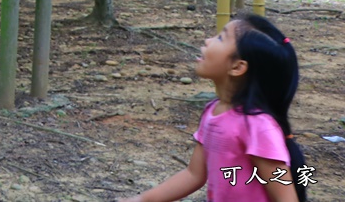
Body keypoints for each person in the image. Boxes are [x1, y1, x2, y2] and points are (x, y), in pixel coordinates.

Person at [117, 14, 307, 202]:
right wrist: (142, 199)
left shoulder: (258, 126)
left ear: (237, 67)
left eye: (220, 38)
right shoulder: (213, 111)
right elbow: (194, 174)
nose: (208, 41)